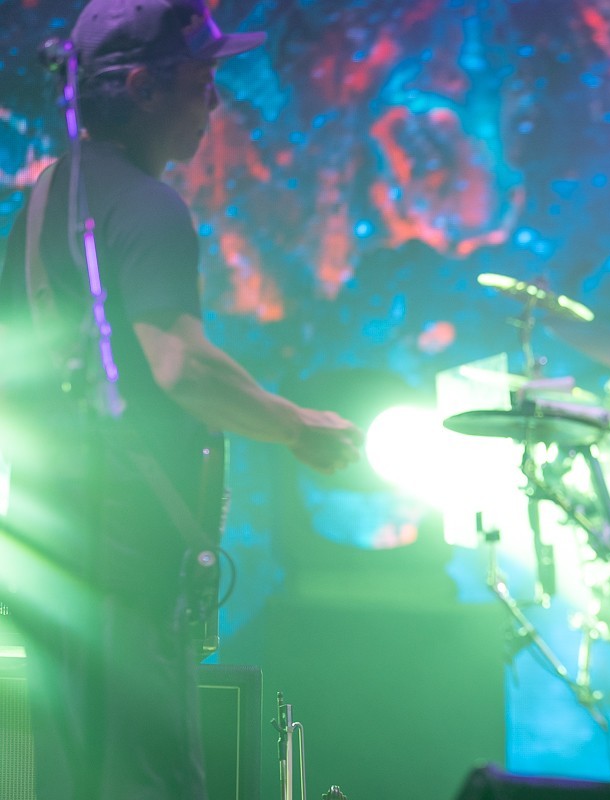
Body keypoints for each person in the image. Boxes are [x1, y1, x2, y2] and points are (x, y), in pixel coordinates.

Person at [0, 0, 363, 797]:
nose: (216, 101)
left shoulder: (40, 205)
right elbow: (183, 367)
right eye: (201, 81)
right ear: (141, 87)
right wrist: (300, 427)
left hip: (49, 556)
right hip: (129, 557)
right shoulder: (149, 206)